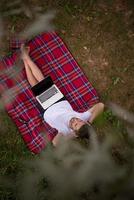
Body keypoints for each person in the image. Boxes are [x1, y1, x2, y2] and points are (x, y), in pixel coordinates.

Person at [21, 44, 104, 146]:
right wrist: (89, 123)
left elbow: (55, 143)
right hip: (60, 101)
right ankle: (25, 59)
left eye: (75, 125)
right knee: (41, 81)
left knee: (35, 85)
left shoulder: (66, 132)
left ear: (74, 131)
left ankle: (26, 58)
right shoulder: (83, 118)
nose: (75, 121)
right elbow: (101, 106)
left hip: (47, 111)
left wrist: (72, 135)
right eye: (79, 121)